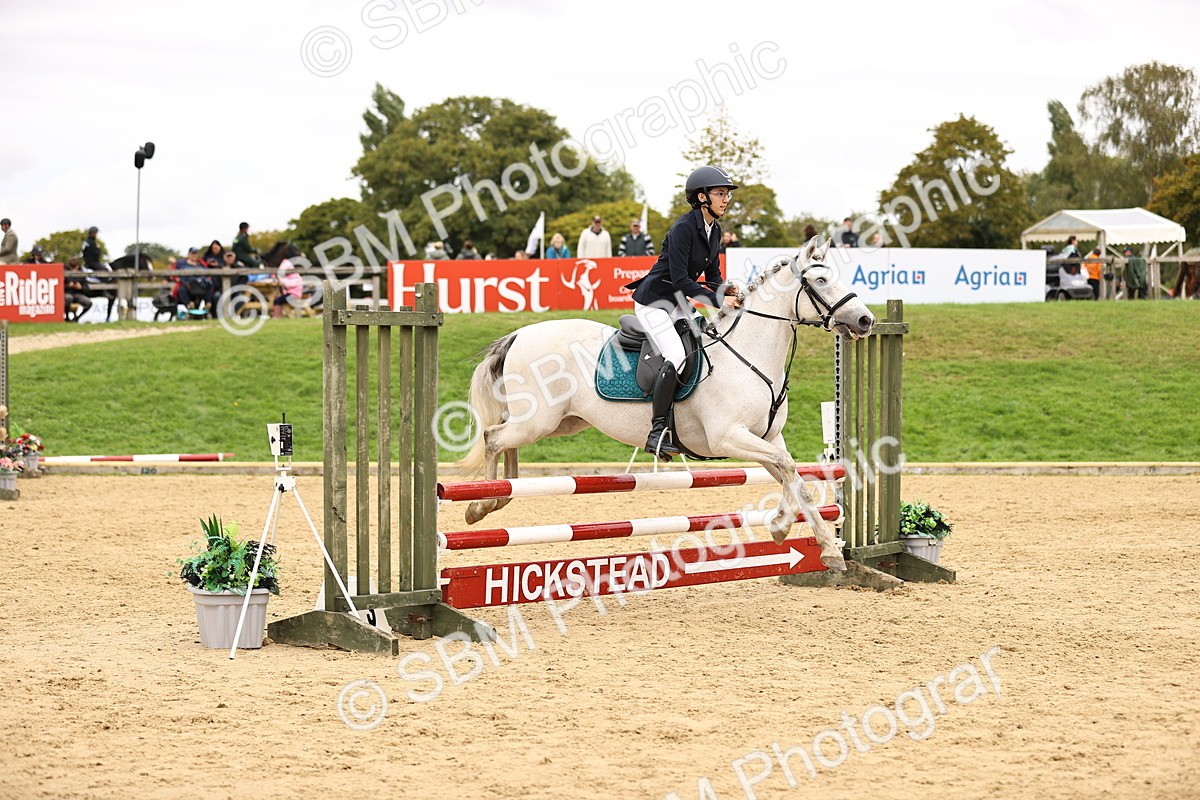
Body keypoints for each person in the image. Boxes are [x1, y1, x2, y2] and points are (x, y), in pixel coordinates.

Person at [624, 165, 742, 458]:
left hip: (677, 301)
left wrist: (726, 289)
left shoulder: (714, 231)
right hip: (654, 302)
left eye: (727, 194)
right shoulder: (683, 229)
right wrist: (717, 300)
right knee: (676, 355)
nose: (725, 199)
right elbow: (681, 281)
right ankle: (656, 432)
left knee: (706, 341)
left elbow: (712, 276)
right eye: (720, 193)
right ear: (701, 197)